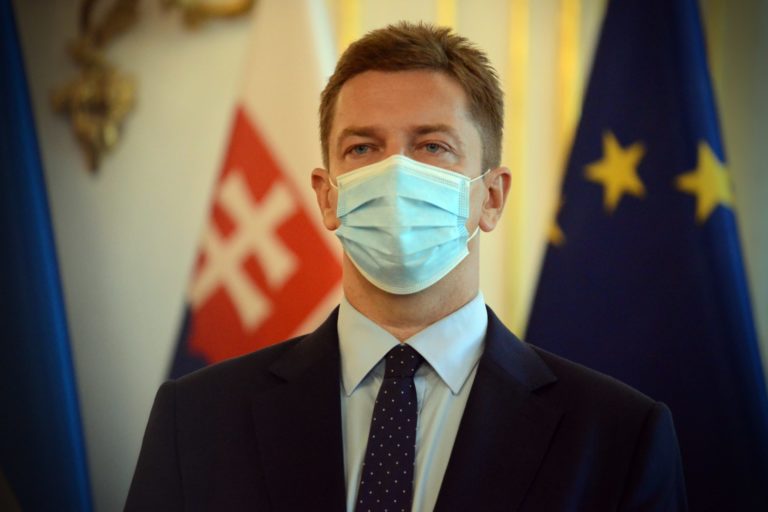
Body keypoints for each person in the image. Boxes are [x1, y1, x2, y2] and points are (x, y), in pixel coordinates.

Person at [125, 22, 687, 511]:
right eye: (362, 149)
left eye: (432, 146)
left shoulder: (618, 437)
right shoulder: (196, 419)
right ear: (327, 197)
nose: (395, 172)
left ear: (491, 197)